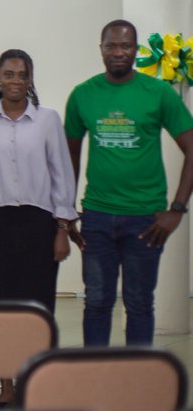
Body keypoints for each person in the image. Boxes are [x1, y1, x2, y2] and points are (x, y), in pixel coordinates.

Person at [65, 19, 193, 347]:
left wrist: (177, 209)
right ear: (101, 50)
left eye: (126, 46)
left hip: (145, 220)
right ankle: (96, 380)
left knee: (138, 304)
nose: (119, 52)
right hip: (96, 217)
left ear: (136, 50)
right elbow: (70, 161)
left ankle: (136, 385)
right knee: (96, 302)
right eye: (112, 46)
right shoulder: (83, 95)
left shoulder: (159, 93)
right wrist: (66, 211)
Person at [0, 49, 76, 405]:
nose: (15, 81)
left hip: (39, 225)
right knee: (1, 311)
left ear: (31, 80)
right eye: (9, 74)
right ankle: (9, 386)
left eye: (22, 75)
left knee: (39, 309)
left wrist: (62, 228)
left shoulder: (47, 120)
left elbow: (62, 175)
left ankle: (38, 383)